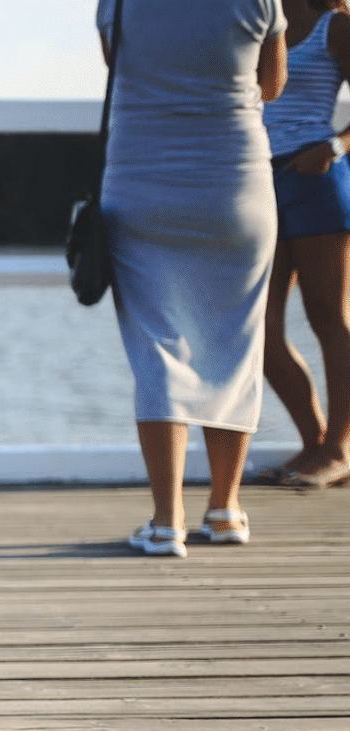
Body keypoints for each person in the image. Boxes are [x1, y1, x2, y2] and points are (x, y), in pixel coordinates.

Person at [100, 0, 287, 557]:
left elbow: (120, 66)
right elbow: (271, 84)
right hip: (236, 183)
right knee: (235, 342)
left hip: (141, 182)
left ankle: (165, 521)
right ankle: (226, 509)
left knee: (158, 347)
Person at [258, 0, 350, 490]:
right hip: (257, 181)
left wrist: (334, 147)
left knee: (328, 317)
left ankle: (338, 449)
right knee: (260, 328)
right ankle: (314, 444)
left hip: (317, 177)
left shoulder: (335, 25)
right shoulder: (254, 14)